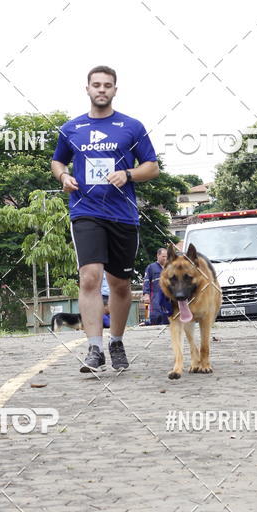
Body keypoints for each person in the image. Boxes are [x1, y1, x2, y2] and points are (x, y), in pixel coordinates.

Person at [51, 65, 159, 371]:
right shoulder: (72, 128)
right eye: (96, 85)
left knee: (120, 285)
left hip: (123, 215)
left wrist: (128, 174)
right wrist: (63, 177)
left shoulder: (132, 127)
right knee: (89, 277)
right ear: (87, 89)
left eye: (107, 85)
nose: (101, 89)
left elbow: (152, 167)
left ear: (115, 90)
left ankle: (116, 341)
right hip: (86, 212)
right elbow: (57, 161)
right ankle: (94, 349)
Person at [142, 248, 172, 324]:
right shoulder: (151, 267)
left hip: (168, 297)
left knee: (168, 315)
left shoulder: (170, 267)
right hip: (155, 296)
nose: (165, 258)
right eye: (163, 256)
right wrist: (146, 294)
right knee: (156, 316)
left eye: (167, 256)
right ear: (158, 255)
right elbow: (146, 281)